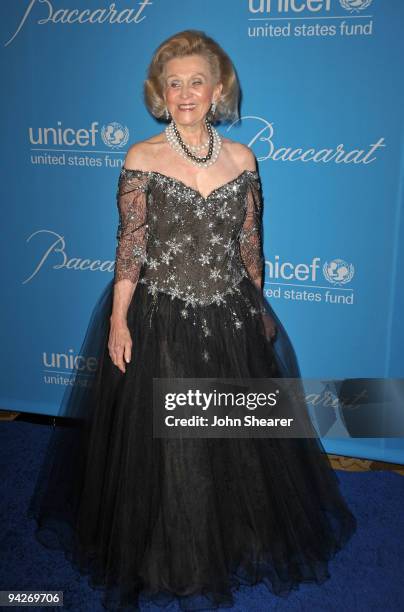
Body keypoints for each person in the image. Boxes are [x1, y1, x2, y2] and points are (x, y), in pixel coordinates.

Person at [28, 29, 356, 612]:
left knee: (232, 435)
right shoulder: (142, 157)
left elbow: (252, 246)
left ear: (218, 88)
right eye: (173, 82)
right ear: (160, 91)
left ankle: (236, 539)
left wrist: (259, 307)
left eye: (195, 81)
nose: (185, 92)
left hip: (231, 314)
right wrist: (119, 321)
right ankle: (171, 556)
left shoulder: (243, 159)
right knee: (173, 441)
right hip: (161, 316)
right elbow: (131, 248)